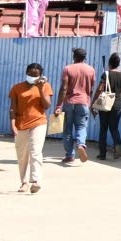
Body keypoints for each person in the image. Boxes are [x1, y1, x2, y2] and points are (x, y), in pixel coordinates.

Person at [9, 62, 52, 193]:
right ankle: (24, 182)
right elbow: (13, 108)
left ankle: (36, 181)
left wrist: (40, 89)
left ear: (40, 75)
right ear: (26, 73)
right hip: (21, 124)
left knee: (35, 151)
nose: (33, 76)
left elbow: (47, 105)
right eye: (30, 74)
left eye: (36, 75)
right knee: (22, 155)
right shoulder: (17, 88)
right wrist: (12, 124)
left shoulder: (45, 86)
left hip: (39, 122)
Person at [56, 47, 96, 165]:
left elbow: (64, 88)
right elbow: (91, 89)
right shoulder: (91, 70)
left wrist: (58, 105)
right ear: (84, 57)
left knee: (67, 129)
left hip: (69, 102)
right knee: (81, 127)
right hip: (83, 102)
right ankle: (81, 144)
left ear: (74, 57)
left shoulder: (68, 68)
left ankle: (70, 155)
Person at [93, 52, 121, 161]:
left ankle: (102, 154)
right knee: (114, 128)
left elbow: (100, 89)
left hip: (105, 104)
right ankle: (117, 145)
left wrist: (93, 102)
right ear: (118, 64)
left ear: (109, 63)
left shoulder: (106, 74)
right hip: (117, 105)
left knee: (103, 128)